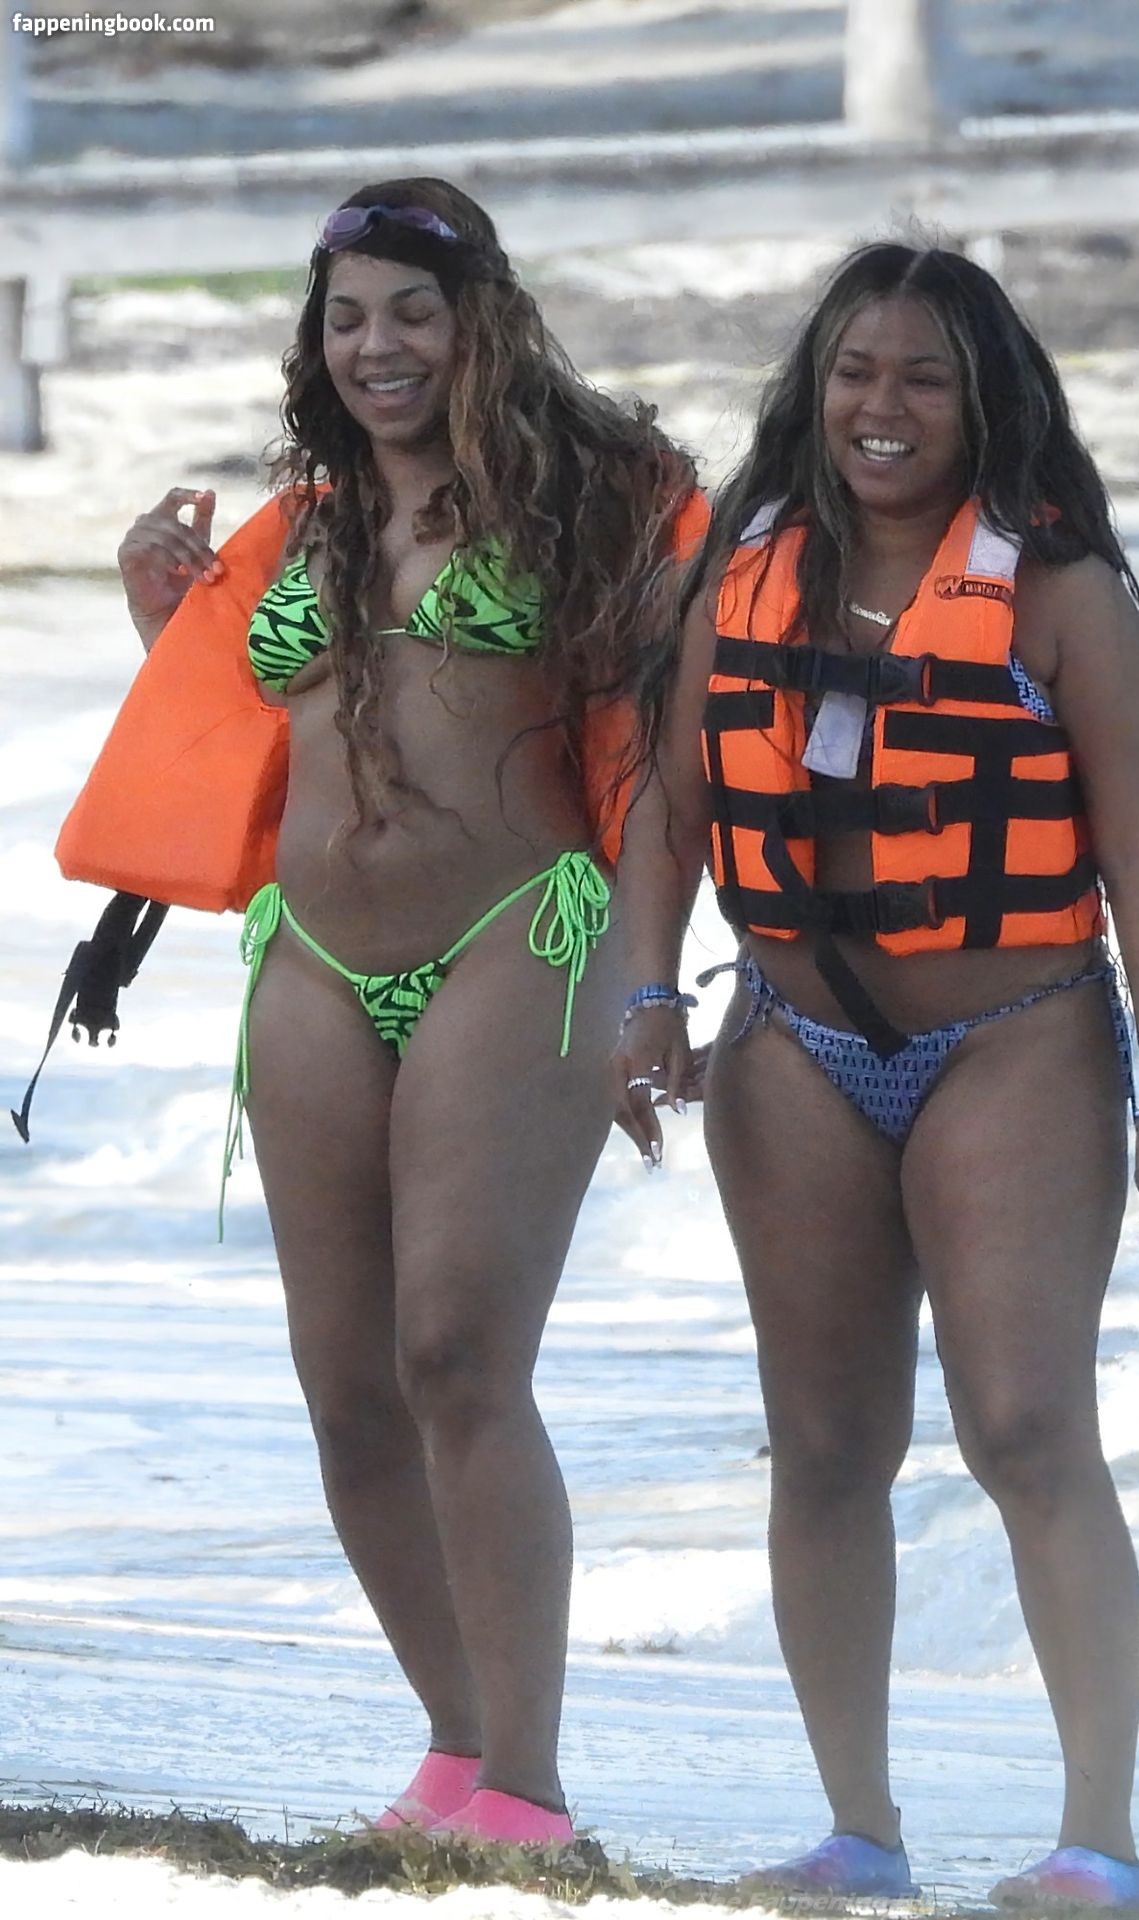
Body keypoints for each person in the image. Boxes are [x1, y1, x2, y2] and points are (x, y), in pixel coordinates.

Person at [614, 242, 1139, 1908]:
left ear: (984, 401)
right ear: (812, 389)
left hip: (1013, 1038)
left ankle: (1098, 1842)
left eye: (921, 378)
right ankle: (857, 1833)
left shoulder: (1060, 592)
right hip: (790, 1045)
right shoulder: (739, 574)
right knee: (823, 1445)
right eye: (852, 372)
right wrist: (641, 998)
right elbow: (667, 807)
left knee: (1025, 1429)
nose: (878, 407)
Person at [108, 177, 700, 1847]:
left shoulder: (598, 499)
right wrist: (165, 617)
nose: (377, 347)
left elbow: (672, 759)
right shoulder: (299, 523)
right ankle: (454, 1751)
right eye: (347, 317)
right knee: (346, 1385)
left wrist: (654, 979)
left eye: (412, 314)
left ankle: (531, 1789)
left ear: (478, 322)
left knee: (455, 1353)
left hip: (521, 934)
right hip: (309, 954)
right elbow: (250, 735)